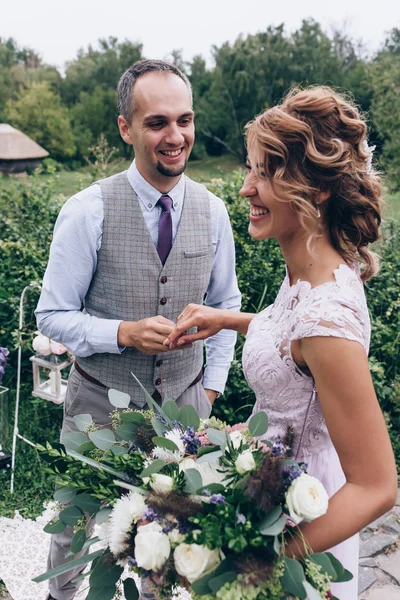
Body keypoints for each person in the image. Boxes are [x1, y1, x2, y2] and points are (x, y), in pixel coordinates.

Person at [165, 86, 398, 599]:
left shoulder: (326, 317)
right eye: (252, 168)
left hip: (302, 517)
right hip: (267, 489)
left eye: (266, 173)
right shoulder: (309, 274)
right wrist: (227, 319)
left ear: (317, 190)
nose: (247, 188)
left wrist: (260, 557)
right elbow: (293, 342)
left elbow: (378, 487)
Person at [35, 59, 241, 600]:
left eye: (185, 120)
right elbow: (52, 316)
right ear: (126, 128)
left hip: (186, 408)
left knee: (169, 542)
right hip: (98, 406)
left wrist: (212, 388)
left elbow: (226, 305)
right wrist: (121, 332)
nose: (176, 137)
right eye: (157, 123)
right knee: (75, 531)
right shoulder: (86, 212)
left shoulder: (215, 212)